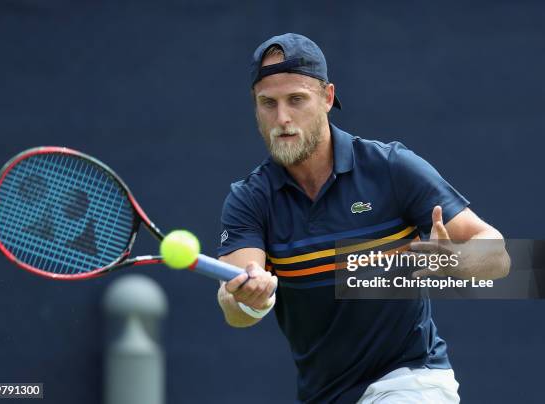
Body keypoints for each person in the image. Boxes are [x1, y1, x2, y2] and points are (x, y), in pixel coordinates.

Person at [216, 33, 510, 403]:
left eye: (296, 100)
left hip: (411, 380)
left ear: (326, 98)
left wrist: (457, 260)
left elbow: (498, 255)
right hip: (324, 393)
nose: (283, 118)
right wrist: (249, 299)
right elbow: (235, 306)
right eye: (268, 103)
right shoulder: (249, 199)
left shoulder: (391, 168)